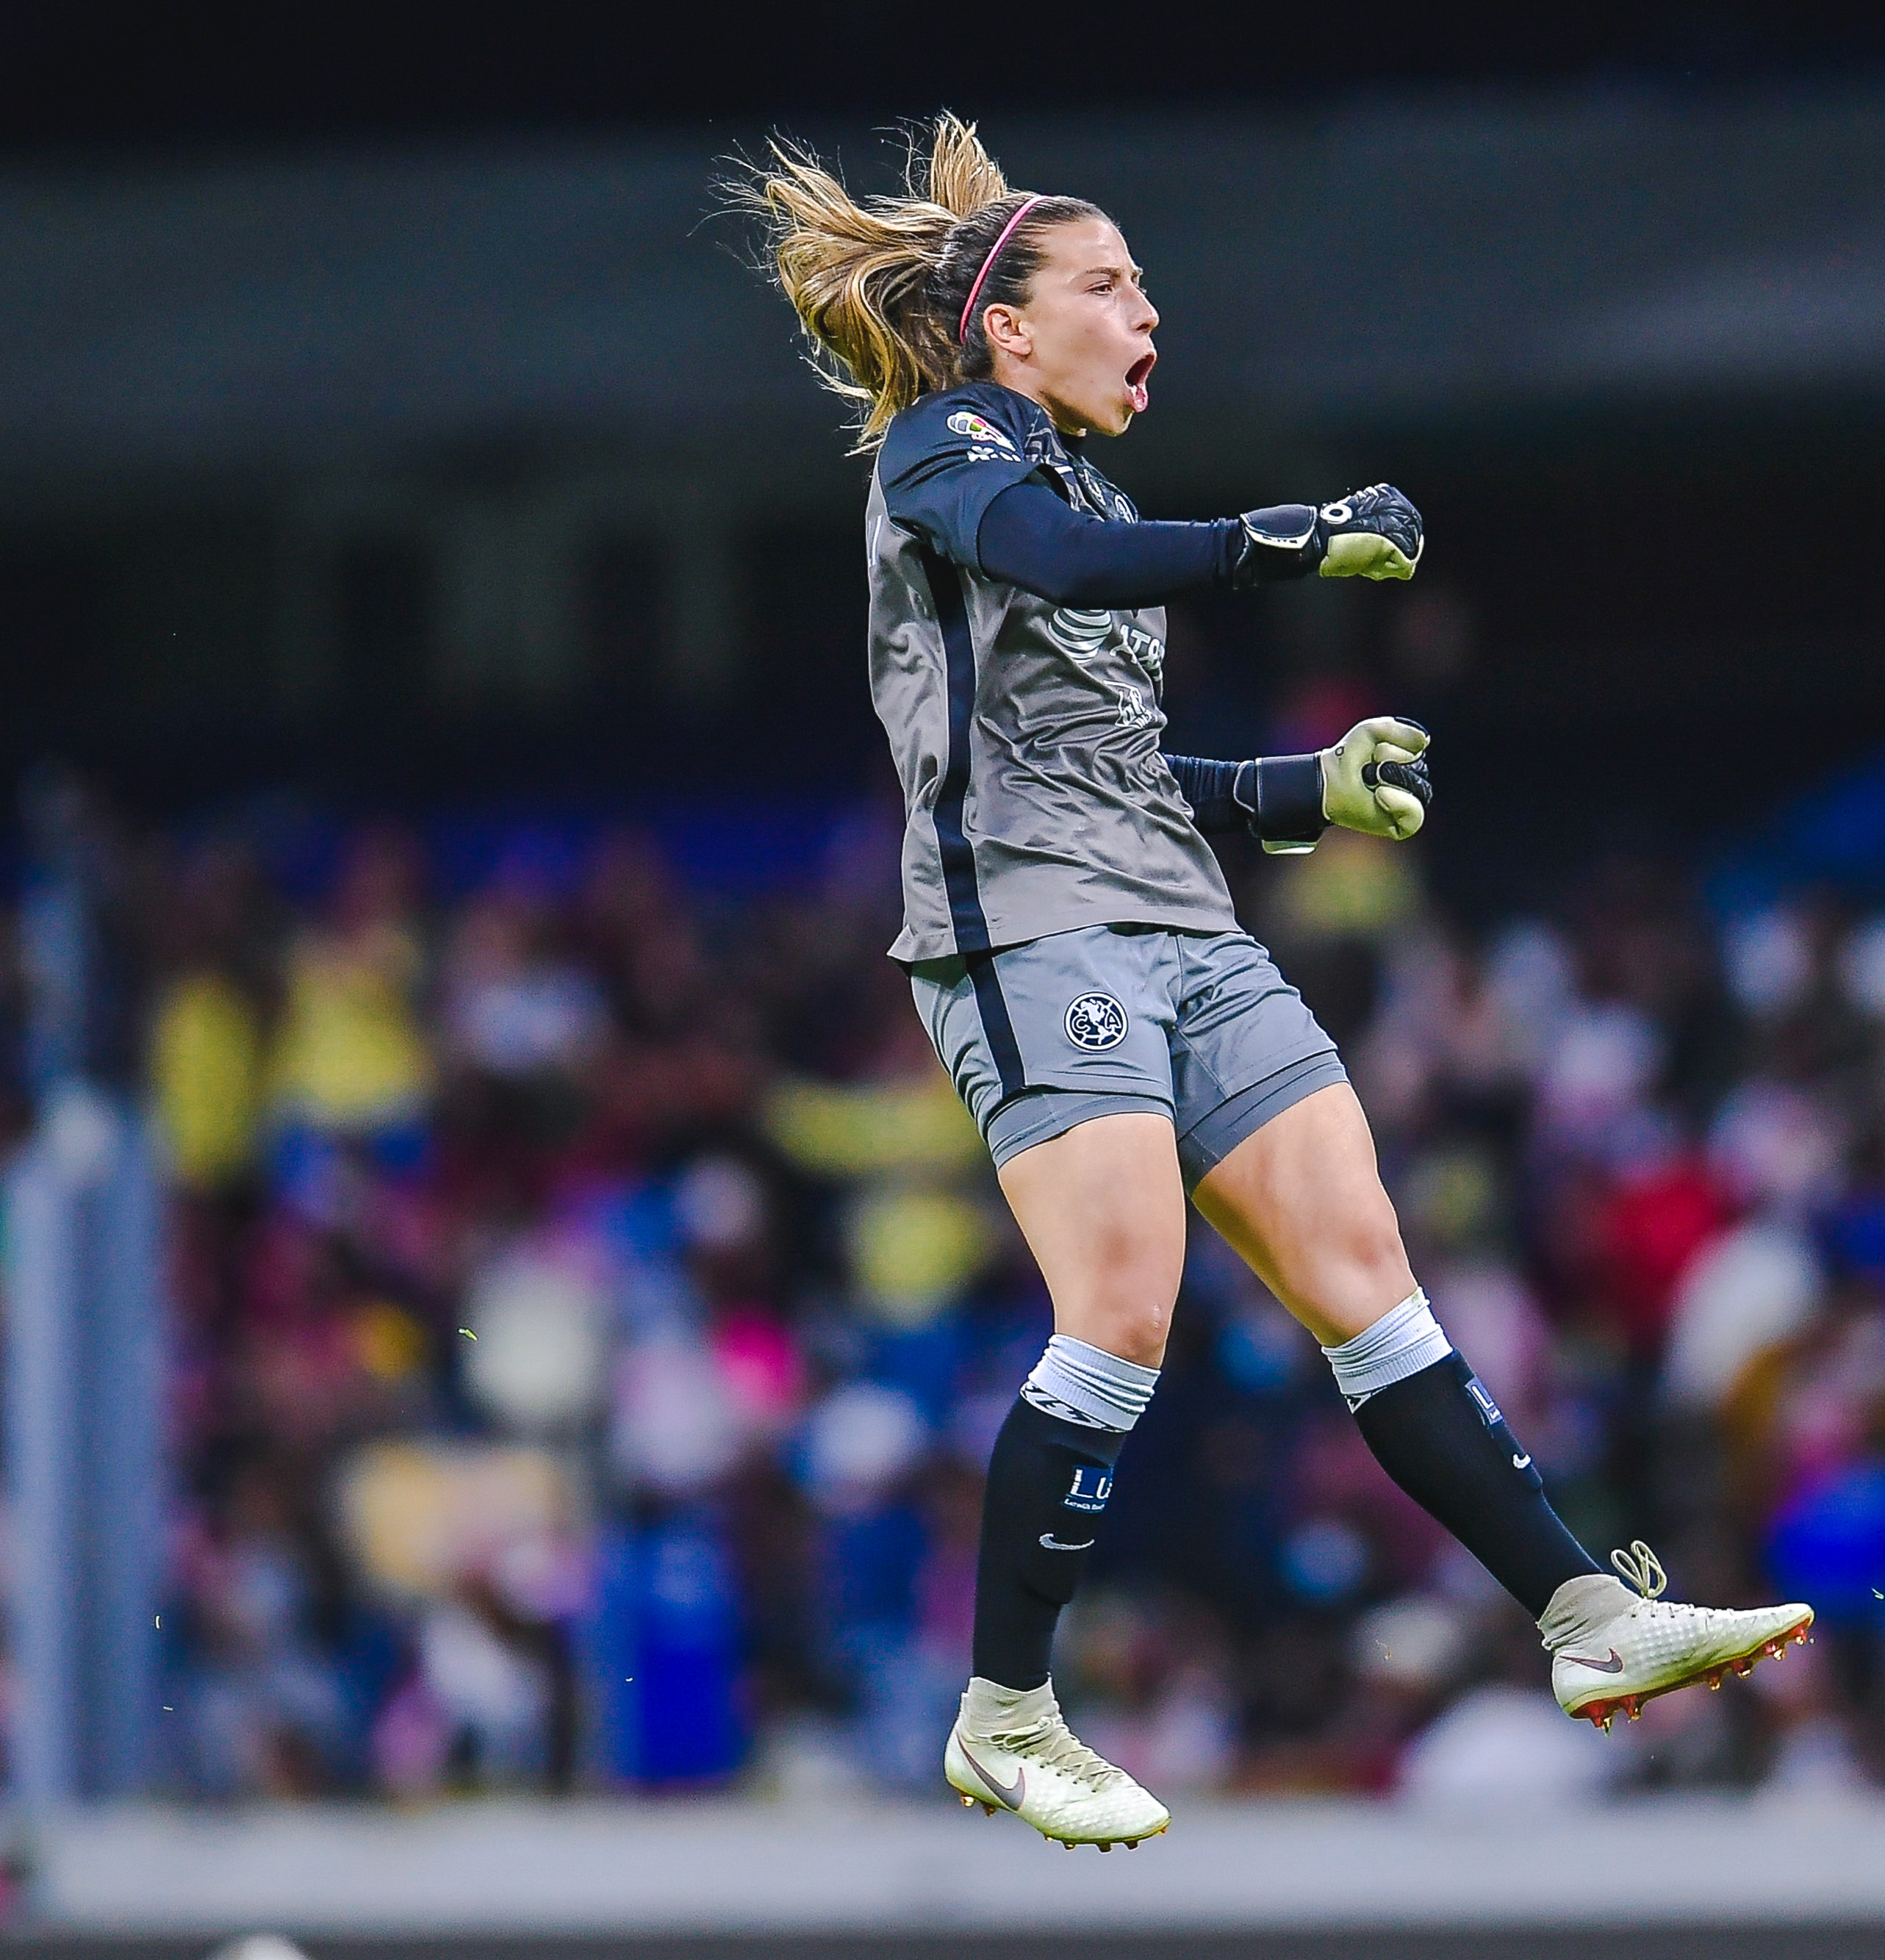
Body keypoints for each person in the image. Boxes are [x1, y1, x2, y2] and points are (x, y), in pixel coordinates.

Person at [730, 115, 1810, 1849]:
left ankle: (1583, 1616)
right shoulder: (947, 454)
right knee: (1127, 1311)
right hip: (1027, 933)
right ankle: (1006, 1713)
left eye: (1146, 281)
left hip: (1183, 925)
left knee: (1365, 1271)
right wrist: (1279, 539)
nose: (1145, 308)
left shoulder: (1081, 496)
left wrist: (1298, 797)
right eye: (1105, 282)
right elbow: (1068, 576)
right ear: (1007, 329)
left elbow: (1123, 770)